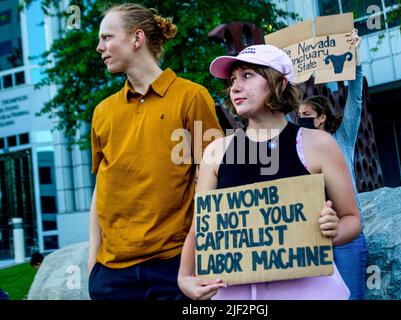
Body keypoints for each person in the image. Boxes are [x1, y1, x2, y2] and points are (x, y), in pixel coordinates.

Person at [177, 44, 361, 300]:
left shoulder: (317, 144)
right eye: (232, 80)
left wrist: (333, 230)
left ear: (281, 83)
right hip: (234, 295)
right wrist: (185, 276)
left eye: (248, 76)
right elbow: (202, 224)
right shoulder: (217, 151)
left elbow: (351, 218)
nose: (235, 87)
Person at [88, 3, 222, 300]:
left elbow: (210, 182)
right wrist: (91, 267)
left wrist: (200, 258)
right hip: (111, 275)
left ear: (137, 39)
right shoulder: (102, 112)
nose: (99, 47)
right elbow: (101, 190)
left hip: (174, 267)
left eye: (107, 37)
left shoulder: (192, 97)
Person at [298, 29, 368, 300]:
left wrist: (356, 60)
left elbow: (356, 100)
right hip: (313, 240)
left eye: (307, 115)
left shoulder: (343, 138)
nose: (300, 118)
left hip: (347, 239)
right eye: (298, 114)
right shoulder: (297, 145)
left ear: (321, 118)